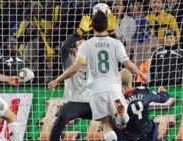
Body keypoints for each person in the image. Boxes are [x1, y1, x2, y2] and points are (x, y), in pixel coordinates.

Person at [48, 11, 147, 141]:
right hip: (95, 95)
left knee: (109, 124)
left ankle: (117, 126)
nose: (80, 46)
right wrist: (140, 73)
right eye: (77, 45)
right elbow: (127, 63)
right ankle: (120, 115)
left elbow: (77, 67)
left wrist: (56, 80)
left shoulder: (87, 49)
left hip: (95, 94)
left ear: (92, 26)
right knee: (120, 123)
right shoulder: (114, 44)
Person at [49, 15, 92, 141]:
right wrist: (78, 33)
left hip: (92, 102)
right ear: (74, 50)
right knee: (59, 121)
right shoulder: (69, 62)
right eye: (80, 46)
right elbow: (63, 48)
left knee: (115, 119)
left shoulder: (94, 61)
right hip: (74, 102)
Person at [119, 68, 169, 141]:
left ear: (119, 82)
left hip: (130, 137)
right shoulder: (143, 91)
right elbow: (163, 99)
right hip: (148, 133)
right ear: (132, 79)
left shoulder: (119, 100)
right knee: (151, 124)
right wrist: (163, 92)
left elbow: (119, 123)